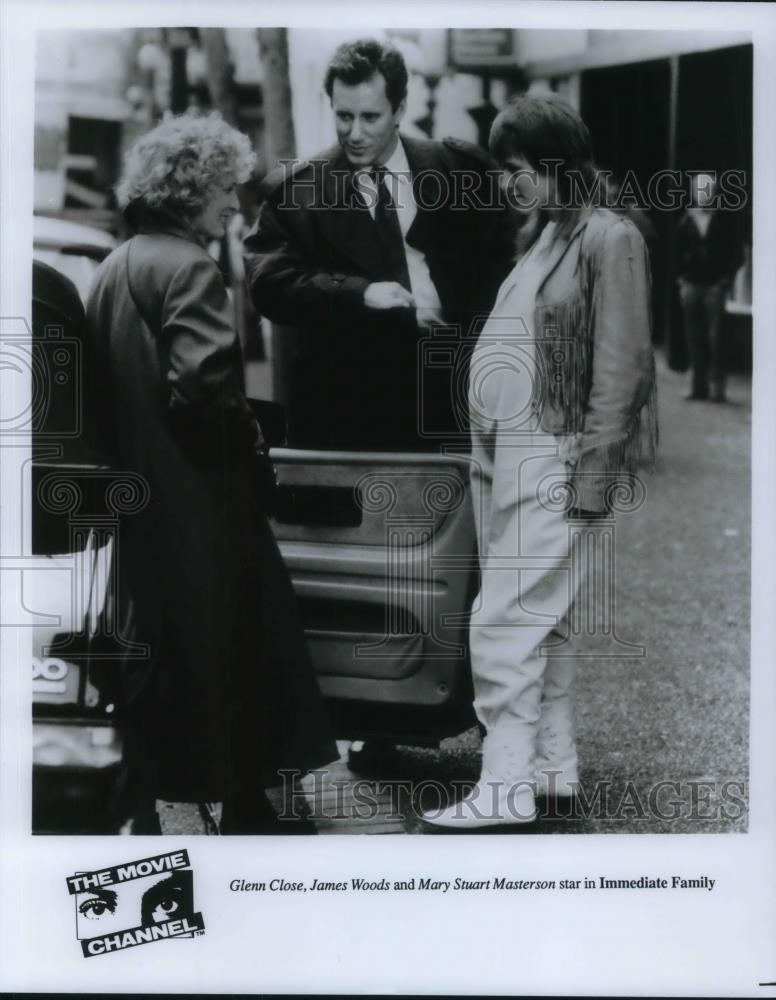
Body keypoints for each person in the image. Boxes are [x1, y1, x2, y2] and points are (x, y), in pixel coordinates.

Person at [85, 114, 336, 834]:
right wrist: (249, 439)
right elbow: (203, 389)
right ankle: (258, 813)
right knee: (251, 657)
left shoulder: (117, 264)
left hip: (145, 508)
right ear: (192, 189)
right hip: (203, 501)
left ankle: (181, 804)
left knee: (183, 665)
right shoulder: (190, 267)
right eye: (226, 189)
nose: (235, 204)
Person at [422, 93, 657, 830]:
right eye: (501, 167)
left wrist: (592, 473)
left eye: (518, 167)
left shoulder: (607, 237)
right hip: (518, 456)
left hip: (552, 456)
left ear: (556, 164)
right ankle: (551, 768)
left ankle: (504, 787)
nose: (505, 181)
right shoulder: (555, 234)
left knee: (504, 621)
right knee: (542, 621)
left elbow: (624, 366)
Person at [243, 37, 514, 453]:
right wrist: (360, 292)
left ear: (400, 109)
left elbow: (501, 268)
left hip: (450, 403)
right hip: (347, 412)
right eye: (343, 116)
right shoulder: (296, 192)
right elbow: (269, 285)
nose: (355, 133)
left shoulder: (459, 171)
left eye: (370, 116)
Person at [676, 172, 741, 402]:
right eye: (699, 190)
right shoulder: (686, 219)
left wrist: (726, 279)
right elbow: (677, 250)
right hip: (691, 285)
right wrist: (681, 277)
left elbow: (735, 251)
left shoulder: (724, 218)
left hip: (715, 286)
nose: (703, 194)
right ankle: (697, 386)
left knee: (717, 338)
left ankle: (717, 388)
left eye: (707, 190)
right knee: (694, 337)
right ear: (693, 192)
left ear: (715, 192)